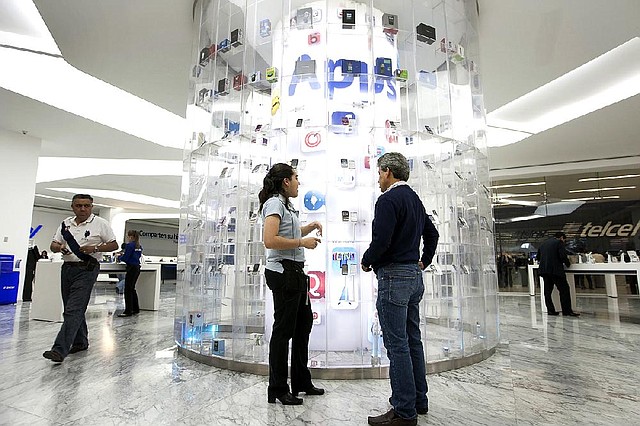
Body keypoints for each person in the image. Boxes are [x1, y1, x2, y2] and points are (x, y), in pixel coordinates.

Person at [361, 152, 439, 426]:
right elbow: (432, 234)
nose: (378, 179)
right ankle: (419, 399)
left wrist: (367, 260)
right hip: (413, 277)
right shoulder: (415, 200)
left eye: (379, 173)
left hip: (393, 277)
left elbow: (382, 240)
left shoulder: (387, 200)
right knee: (412, 339)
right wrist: (424, 261)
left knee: (397, 345)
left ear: (388, 172)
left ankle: (404, 410)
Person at [258, 163, 324, 405]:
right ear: (286, 181)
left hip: (295, 274)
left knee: (302, 326)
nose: (298, 182)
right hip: (283, 273)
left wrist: (310, 227)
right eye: (296, 178)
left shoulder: (286, 205)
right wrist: (301, 242)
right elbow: (270, 240)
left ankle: (301, 381)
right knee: (283, 332)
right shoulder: (274, 203)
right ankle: (277, 387)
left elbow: (288, 230)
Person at [43, 194, 118, 362]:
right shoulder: (65, 224)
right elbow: (53, 244)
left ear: (91, 207)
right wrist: (60, 247)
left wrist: (95, 247)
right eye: (78, 205)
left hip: (87, 269)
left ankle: (59, 349)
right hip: (67, 269)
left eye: (86, 205)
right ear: (72, 207)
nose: (82, 209)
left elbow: (114, 244)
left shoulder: (100, 224)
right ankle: (80, 341)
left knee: (73, 310)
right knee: (72, 307)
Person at [536, 232, 580, 317]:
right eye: (564, 240)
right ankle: (567, 311)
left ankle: (551, 311)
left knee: (547, 292)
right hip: (555, 270)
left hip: (544, 271)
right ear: (561, 238)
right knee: (564, 290)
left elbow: (538, 257)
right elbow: (563, 256)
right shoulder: (559, 243)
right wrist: (568, 264)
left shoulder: (543, 244)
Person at [117, 230, 143, 317]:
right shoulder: (139, 246)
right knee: (132, 288)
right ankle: (135, 308)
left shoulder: (130, 245)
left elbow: (126, 258)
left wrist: (120, 256)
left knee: (128, 289)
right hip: (137, 268)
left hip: (131, 268)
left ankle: (128, 310)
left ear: (131, 236)